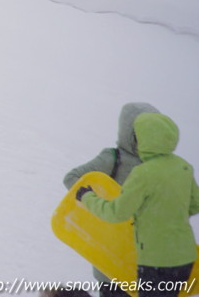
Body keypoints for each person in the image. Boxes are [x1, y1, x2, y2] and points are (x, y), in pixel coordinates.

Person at [76, 112, 199, 297]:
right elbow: (195, 204)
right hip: (185, 258)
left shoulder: (143, 173)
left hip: (156, 262)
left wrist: (87, 197)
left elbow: (116, 213)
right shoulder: (183, 166)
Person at [64, 102, 160, 297]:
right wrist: (98, 202)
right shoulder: (113, 159)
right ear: (129, 132)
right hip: (111, 250)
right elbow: (72, 179)